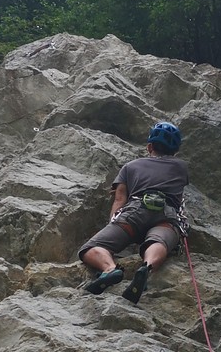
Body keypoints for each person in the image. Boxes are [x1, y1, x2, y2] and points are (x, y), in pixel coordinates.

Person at [77, 120, 189, 304]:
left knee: (90, 248)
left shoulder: (130, 166)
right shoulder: (181, 167)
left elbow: (120, 199)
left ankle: (109, 269)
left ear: (149, 146)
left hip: (135, 211)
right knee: (158, 240)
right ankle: (147, 266)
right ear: (175, 151)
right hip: (166, 215)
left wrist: (114, 224)